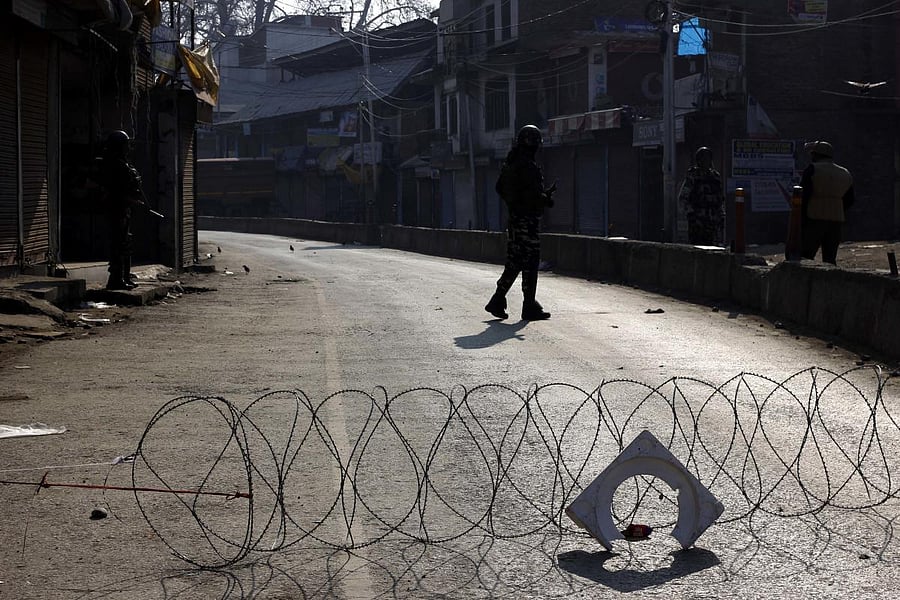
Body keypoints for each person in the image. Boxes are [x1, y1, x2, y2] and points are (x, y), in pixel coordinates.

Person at [485, 124, 557, 321]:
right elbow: (533, 196)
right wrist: (546, 199)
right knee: (530, 261)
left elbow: (500, 188)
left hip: (515, 220)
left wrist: (515, 203)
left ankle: (498, 299)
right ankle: (528, 305)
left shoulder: (511, 164)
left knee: (515, 261)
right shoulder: (527, 166)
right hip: (526, 221)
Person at [100, 130, 146, 290]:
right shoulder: (113, 164)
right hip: (116, 208)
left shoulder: (122, 162)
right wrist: (131, 200)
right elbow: (115, 190)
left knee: (125, 243)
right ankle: (116, 279)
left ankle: (124, 277)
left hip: (123, 209)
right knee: (118, 245)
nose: (128, 148)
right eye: (125, 144)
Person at [800, 140, 854, 264]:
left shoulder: (813, 169)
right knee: (830, 259)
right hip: (836, 220)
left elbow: (804, 194)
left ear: (816, 155)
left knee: (806, 257)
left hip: (814, 217)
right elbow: (850, 199)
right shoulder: (844, 173)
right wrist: (837, 208)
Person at [678, 146, 725, 245]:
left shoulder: (715, 177)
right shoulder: (693, 176)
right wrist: (691, 214)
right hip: (697, 221)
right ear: (698, 160)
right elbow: (683, 198)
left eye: (707, 158)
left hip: (712, 221)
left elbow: (719, 199)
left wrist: (721, 215)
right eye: (703, 158)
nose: (705, 161)